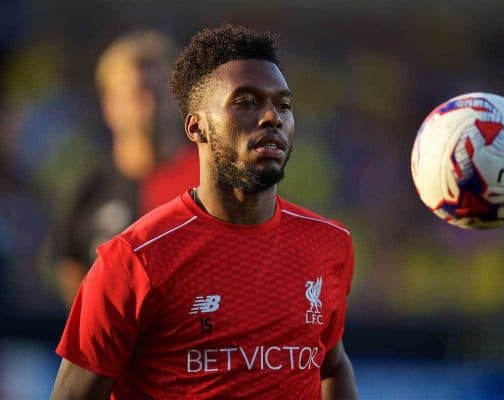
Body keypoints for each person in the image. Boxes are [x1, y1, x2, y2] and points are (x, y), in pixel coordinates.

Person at [50, 25, 358, 399]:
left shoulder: (328, 245)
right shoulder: (134, 260)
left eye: (284, 105)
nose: (271, 117)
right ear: (197, 127)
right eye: (246, 102)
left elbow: (333, 363)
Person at [54, 31, 197, 307]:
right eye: (138, 93)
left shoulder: (214, 183)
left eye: (162, 91)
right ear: (110, 105)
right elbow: (71, 272)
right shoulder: (90, 189)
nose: (151, 105)